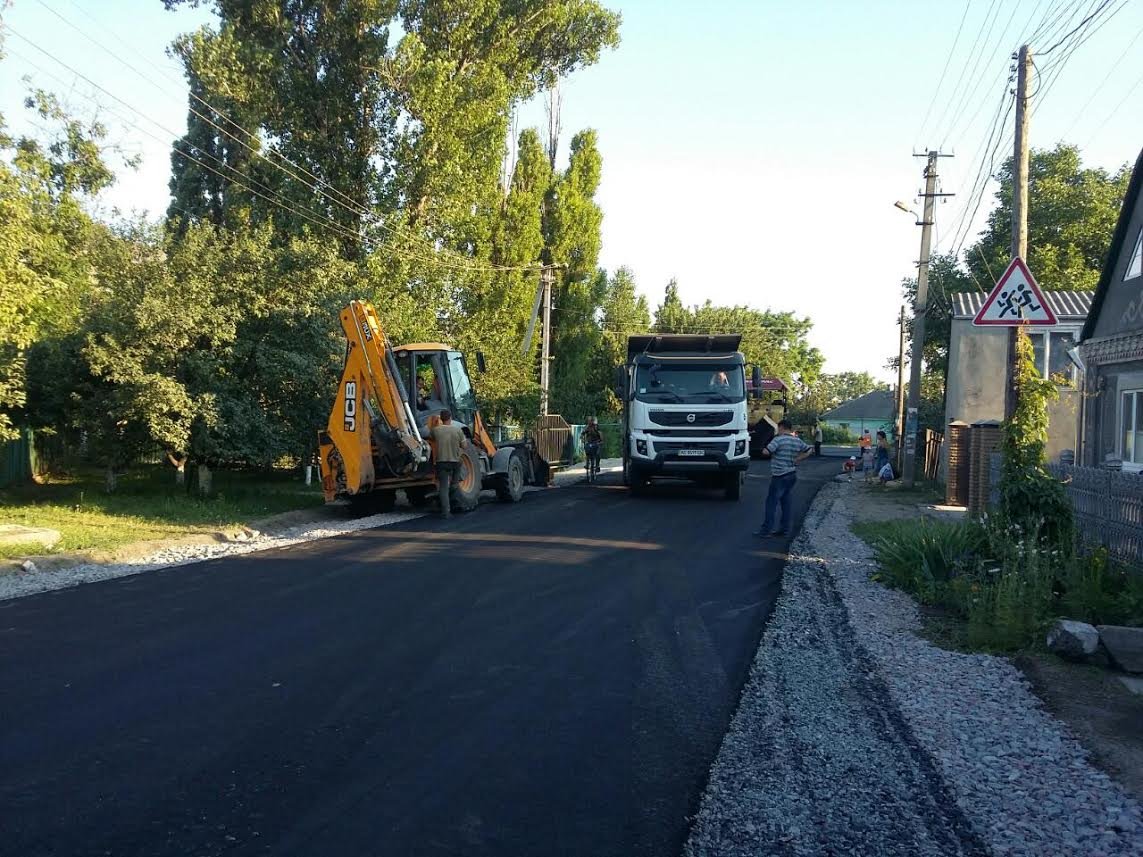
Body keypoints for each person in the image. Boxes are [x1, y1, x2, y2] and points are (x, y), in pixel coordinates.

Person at [755, 419, 812, 538]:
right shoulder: (796, 440)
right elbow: (809, 450)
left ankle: (766, 530)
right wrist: (798, 459)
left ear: (781, 427)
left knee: (771, 503)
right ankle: (784, 529)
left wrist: (764, 445)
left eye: (778, 428)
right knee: (786, 503)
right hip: (792, 474)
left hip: (779, 475)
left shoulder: (778, 439)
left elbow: (766, 452)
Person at [430, 409, 466, 518]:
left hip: (441, 463)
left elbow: (431, 438)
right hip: (455, 463)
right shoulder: (458, 430)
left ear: (441, 419)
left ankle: (446, 512)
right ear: (450, 418)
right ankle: (454, 487)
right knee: (455, 482)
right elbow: (464, 446)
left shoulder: (435, 431)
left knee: (443, 487)